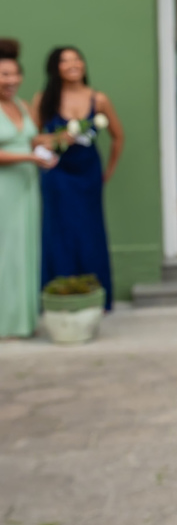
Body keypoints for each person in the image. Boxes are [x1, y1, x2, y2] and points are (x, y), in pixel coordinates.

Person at [32, 46, 123, 310]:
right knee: (59, 230)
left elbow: (118, 136)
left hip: (88, 173)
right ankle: (60, 294)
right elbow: (33, 137)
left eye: (77, 59)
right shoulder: (44, 99)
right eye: (65, 60)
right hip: (57, 172)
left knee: (90, 231)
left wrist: (109, 170)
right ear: (55, 68)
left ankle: (95, 295)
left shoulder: (99, 99)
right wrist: (56, 139)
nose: (73, 64)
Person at [0, 44, 57, 338]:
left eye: (14, 74)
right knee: (4, 252)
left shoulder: (22, 106)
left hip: (26, 187)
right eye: (3, 74)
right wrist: (29, 157)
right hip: (3, 191)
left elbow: (30, 140)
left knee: (24, 250)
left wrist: (49, 143)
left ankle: (22, 321)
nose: (10, 80)